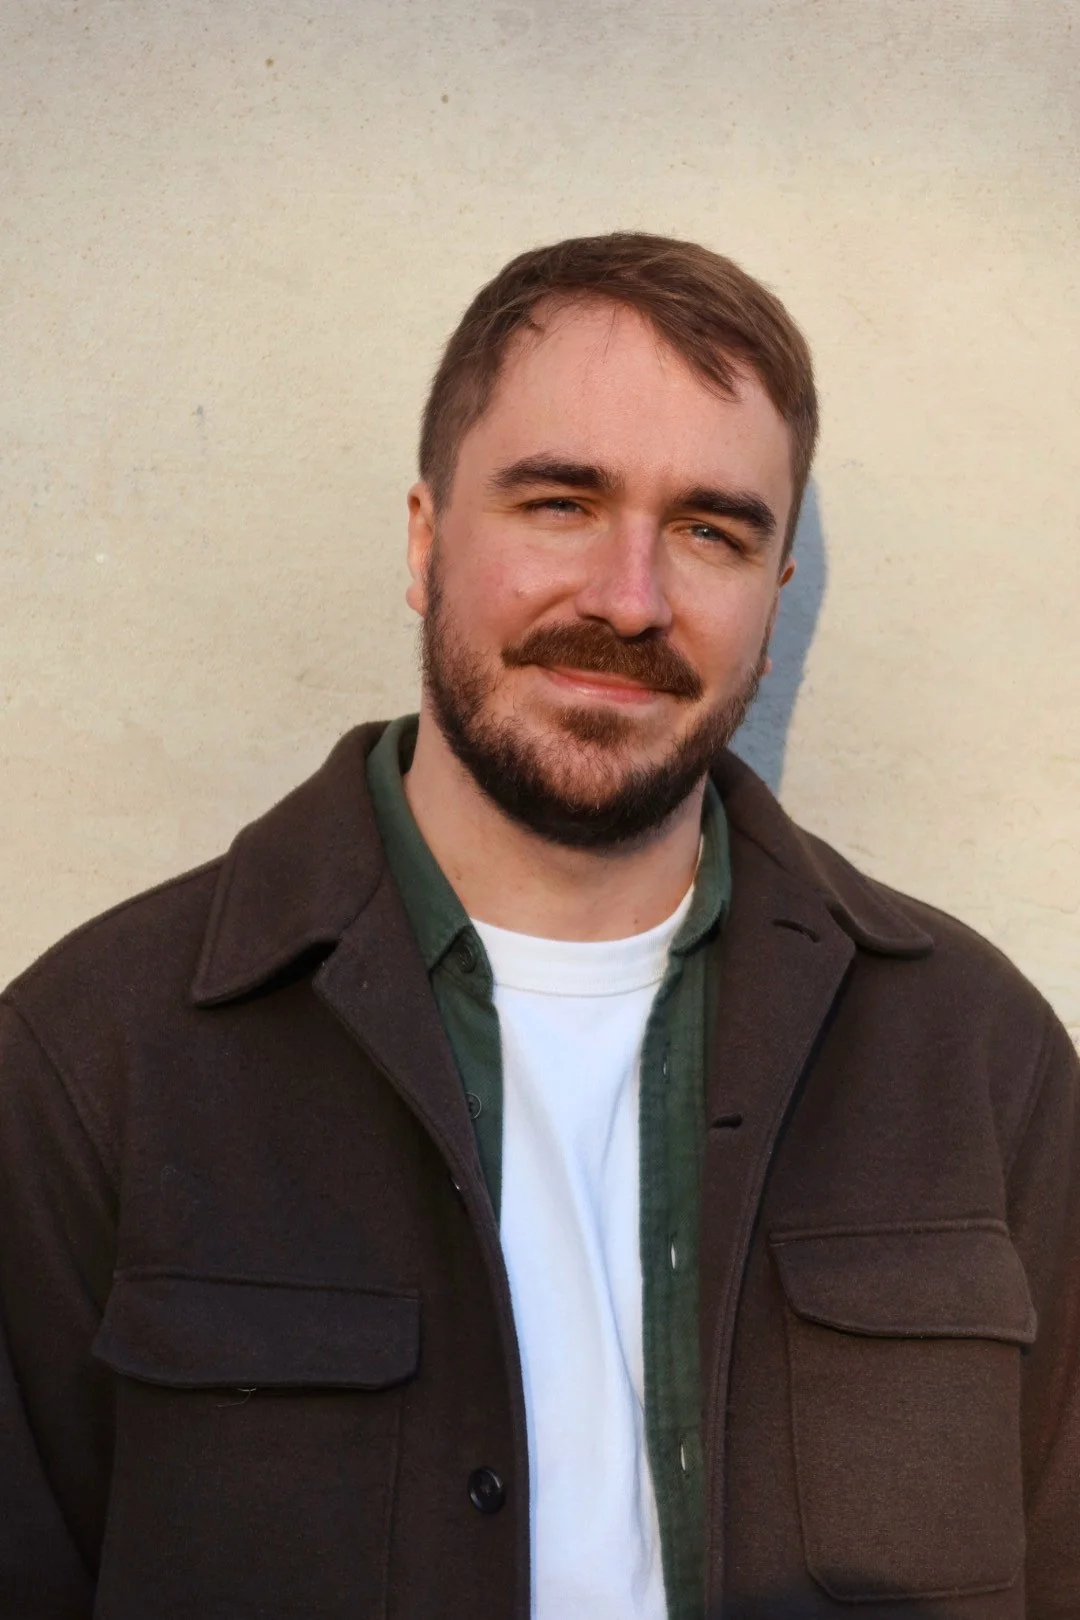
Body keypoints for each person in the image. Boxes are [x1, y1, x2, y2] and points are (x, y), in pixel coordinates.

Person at [0, 231, 1076, 1620]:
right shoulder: (94, 1062)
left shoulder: (979, 1065)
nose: (630, 599)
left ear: (773, 598)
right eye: (562, 503)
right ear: (423, 540)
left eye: (711, 530)